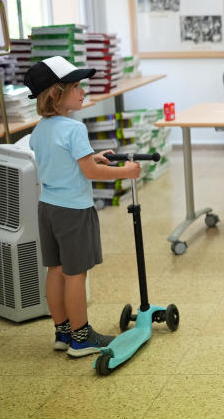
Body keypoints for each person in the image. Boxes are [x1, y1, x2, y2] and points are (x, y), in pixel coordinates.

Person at [24, 57, 141, 357]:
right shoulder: (74, 129)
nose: (82, 92)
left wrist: (92, 156)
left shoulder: (40, 130)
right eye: (75, 86)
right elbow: (90, 172)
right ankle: (81, 337)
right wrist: (125, 172)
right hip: (73, 210)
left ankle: (62, 331)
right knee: (76, 274)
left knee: (56, 270)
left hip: (48, 208)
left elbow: (66, 162)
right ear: (55, 93)